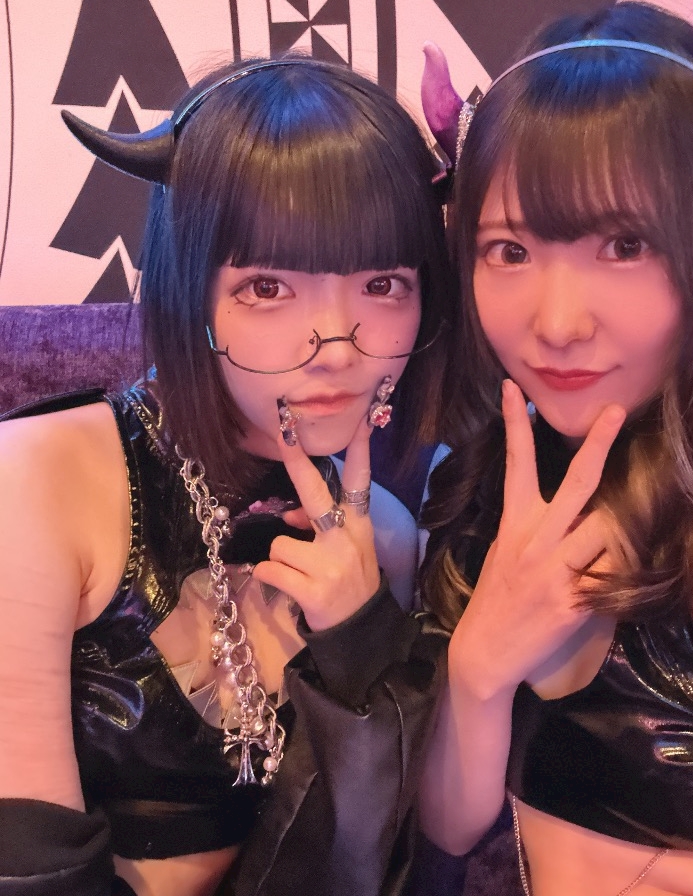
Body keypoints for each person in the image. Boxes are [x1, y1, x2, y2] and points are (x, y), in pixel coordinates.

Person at [0, 55, 452, 896]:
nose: (339, 345)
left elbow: (356, 870)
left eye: (383, 283)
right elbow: (27, 867)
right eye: (268, 286)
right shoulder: (36, 482)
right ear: (188, 291)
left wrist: (361, 646)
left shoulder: (384, 534)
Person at [417, 0, 693, 896]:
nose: (557, 324)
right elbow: (450, 824)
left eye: (625, 245)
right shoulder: (488, 473)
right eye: (510, 251)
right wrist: (479, 671)